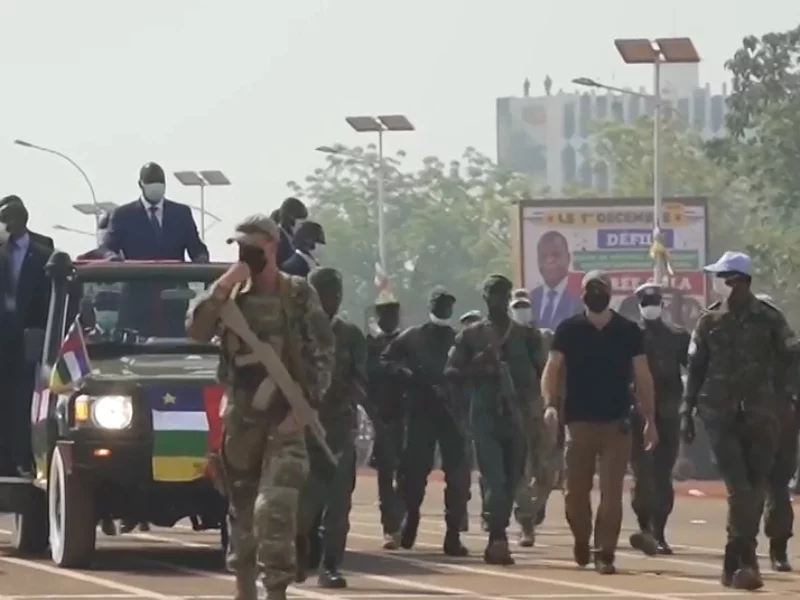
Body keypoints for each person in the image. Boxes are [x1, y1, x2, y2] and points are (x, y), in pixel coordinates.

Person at [185, 214, 335, 600]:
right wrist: (223, 286)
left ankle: (276, 591)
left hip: (286, 419)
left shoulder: (298, 294)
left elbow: (323, 353)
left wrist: (305, 407)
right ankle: (244, 587)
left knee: (276, 508)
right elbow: (197, 331)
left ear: (273, 247)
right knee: (245, 515)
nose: (245, 253)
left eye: (253, 247)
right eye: (239, 246)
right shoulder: (228, 295)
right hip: (241, 421)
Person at [680, 252, 796, 590]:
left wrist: (788, 397)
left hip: (763, 415)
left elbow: (793, 358)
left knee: (756, 488)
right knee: (739, 487)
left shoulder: (770, 319)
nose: (719, 285)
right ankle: (742, 558)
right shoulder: (709, 322)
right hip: (719, 416)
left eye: (723, 278)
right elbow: (696, 369)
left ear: (739, 281)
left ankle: (738, 560)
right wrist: (686, 413)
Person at [540, 269, 657, 575]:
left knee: (611, 493)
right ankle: (581, 537)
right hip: (578, 423)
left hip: (616, 423)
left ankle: (605, 551)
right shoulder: (568, 329)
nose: (596, 294)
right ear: (583, 295)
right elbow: (552, 370)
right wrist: (551, 405)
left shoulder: (629, 331)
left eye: (601, 289)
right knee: (574, 494)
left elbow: (643, 376)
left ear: (610, 293)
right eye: (591, 289)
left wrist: (651, 419)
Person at [445, 274, 546, 565]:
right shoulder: (471, 335)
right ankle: (497, 538)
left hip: (517, 416)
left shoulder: (526, 336)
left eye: (502, 294)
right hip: (485, 416)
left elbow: (543, 372)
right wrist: (476, 368)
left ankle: (500, 531)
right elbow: (450, 372)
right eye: (492, 294)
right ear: (485, 298)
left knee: (514, 479)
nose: (497, 300)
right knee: (496, 479)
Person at [381, 287, 468, 556]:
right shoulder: (412, 336)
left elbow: (469, 371)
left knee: (458, 476)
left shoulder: (458, 339)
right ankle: (411, 517)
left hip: (450, 413)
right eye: (439, 304)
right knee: (414, 473)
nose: (443, 309)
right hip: (420, 410)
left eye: (447, 305)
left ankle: (453, 533)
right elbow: (386, 360)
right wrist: (405, 374)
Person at [296, 267, 365, 589]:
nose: (333, 301)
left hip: (339, 428)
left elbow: (364, 380)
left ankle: (330, 566)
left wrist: (348, 391)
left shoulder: (351, 335)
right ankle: (297, 554)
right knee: (303, 503)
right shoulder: (297, 332)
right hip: (302, 429)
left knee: (339, 505)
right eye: (326, 295)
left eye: (337, 295)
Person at [628, 282, 689, 556]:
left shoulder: (677, 336)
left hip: (667, 412)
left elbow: (693, 369)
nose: (650, 307)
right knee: (642, 474)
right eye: (646, 302)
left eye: (654, 302)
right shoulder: (628, 335)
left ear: (662, 304)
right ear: (639, 305)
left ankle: (659, 532)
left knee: (663, 474)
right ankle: (645, 528)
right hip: (636, 413)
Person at [0, 200, 51, 476]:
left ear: (24, 219)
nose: (6, 223)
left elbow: (50, 298)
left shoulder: (42, 252)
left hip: (30, 342)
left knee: (25, 402)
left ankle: (23, 459)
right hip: (2, 341)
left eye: (9, 217)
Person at [753, 293, 798, 572]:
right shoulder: (740, 348)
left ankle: (778, 548)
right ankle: (745, 551)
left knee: (777, 488)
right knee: (748, 491)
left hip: (781, 425)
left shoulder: (791, 353)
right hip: (748, 425)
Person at [101, 162, 209, 261]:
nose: (156, 186)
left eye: (160, 182)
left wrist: (201, 257)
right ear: (140, 184)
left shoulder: (181, 214)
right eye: (151, 181)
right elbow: (106, 248)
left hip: (174, 280)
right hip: (137, 280)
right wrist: (111, 256)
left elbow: (196, 247)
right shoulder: (123, 215)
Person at [365, 290, 407, 549]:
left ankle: (401, 518)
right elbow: (364, 375)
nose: (390, 317)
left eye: (394, 312)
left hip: (406, 414)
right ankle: (390, 526)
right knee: (385, 474)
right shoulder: (370, 344)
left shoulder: (407, 342)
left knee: (407, 473)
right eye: (385, 313)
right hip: (381, 416)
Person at [530, 231, 581, 329]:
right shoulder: (531, 299)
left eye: (555, 255)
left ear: (568, 258)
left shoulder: (580, 297)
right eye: (543, 256)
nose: (549, 261)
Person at [272, 197, 309, 266]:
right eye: (301, 221)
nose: (302, 226)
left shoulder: (292, 238)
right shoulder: (278, 240)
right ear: (290, 218)